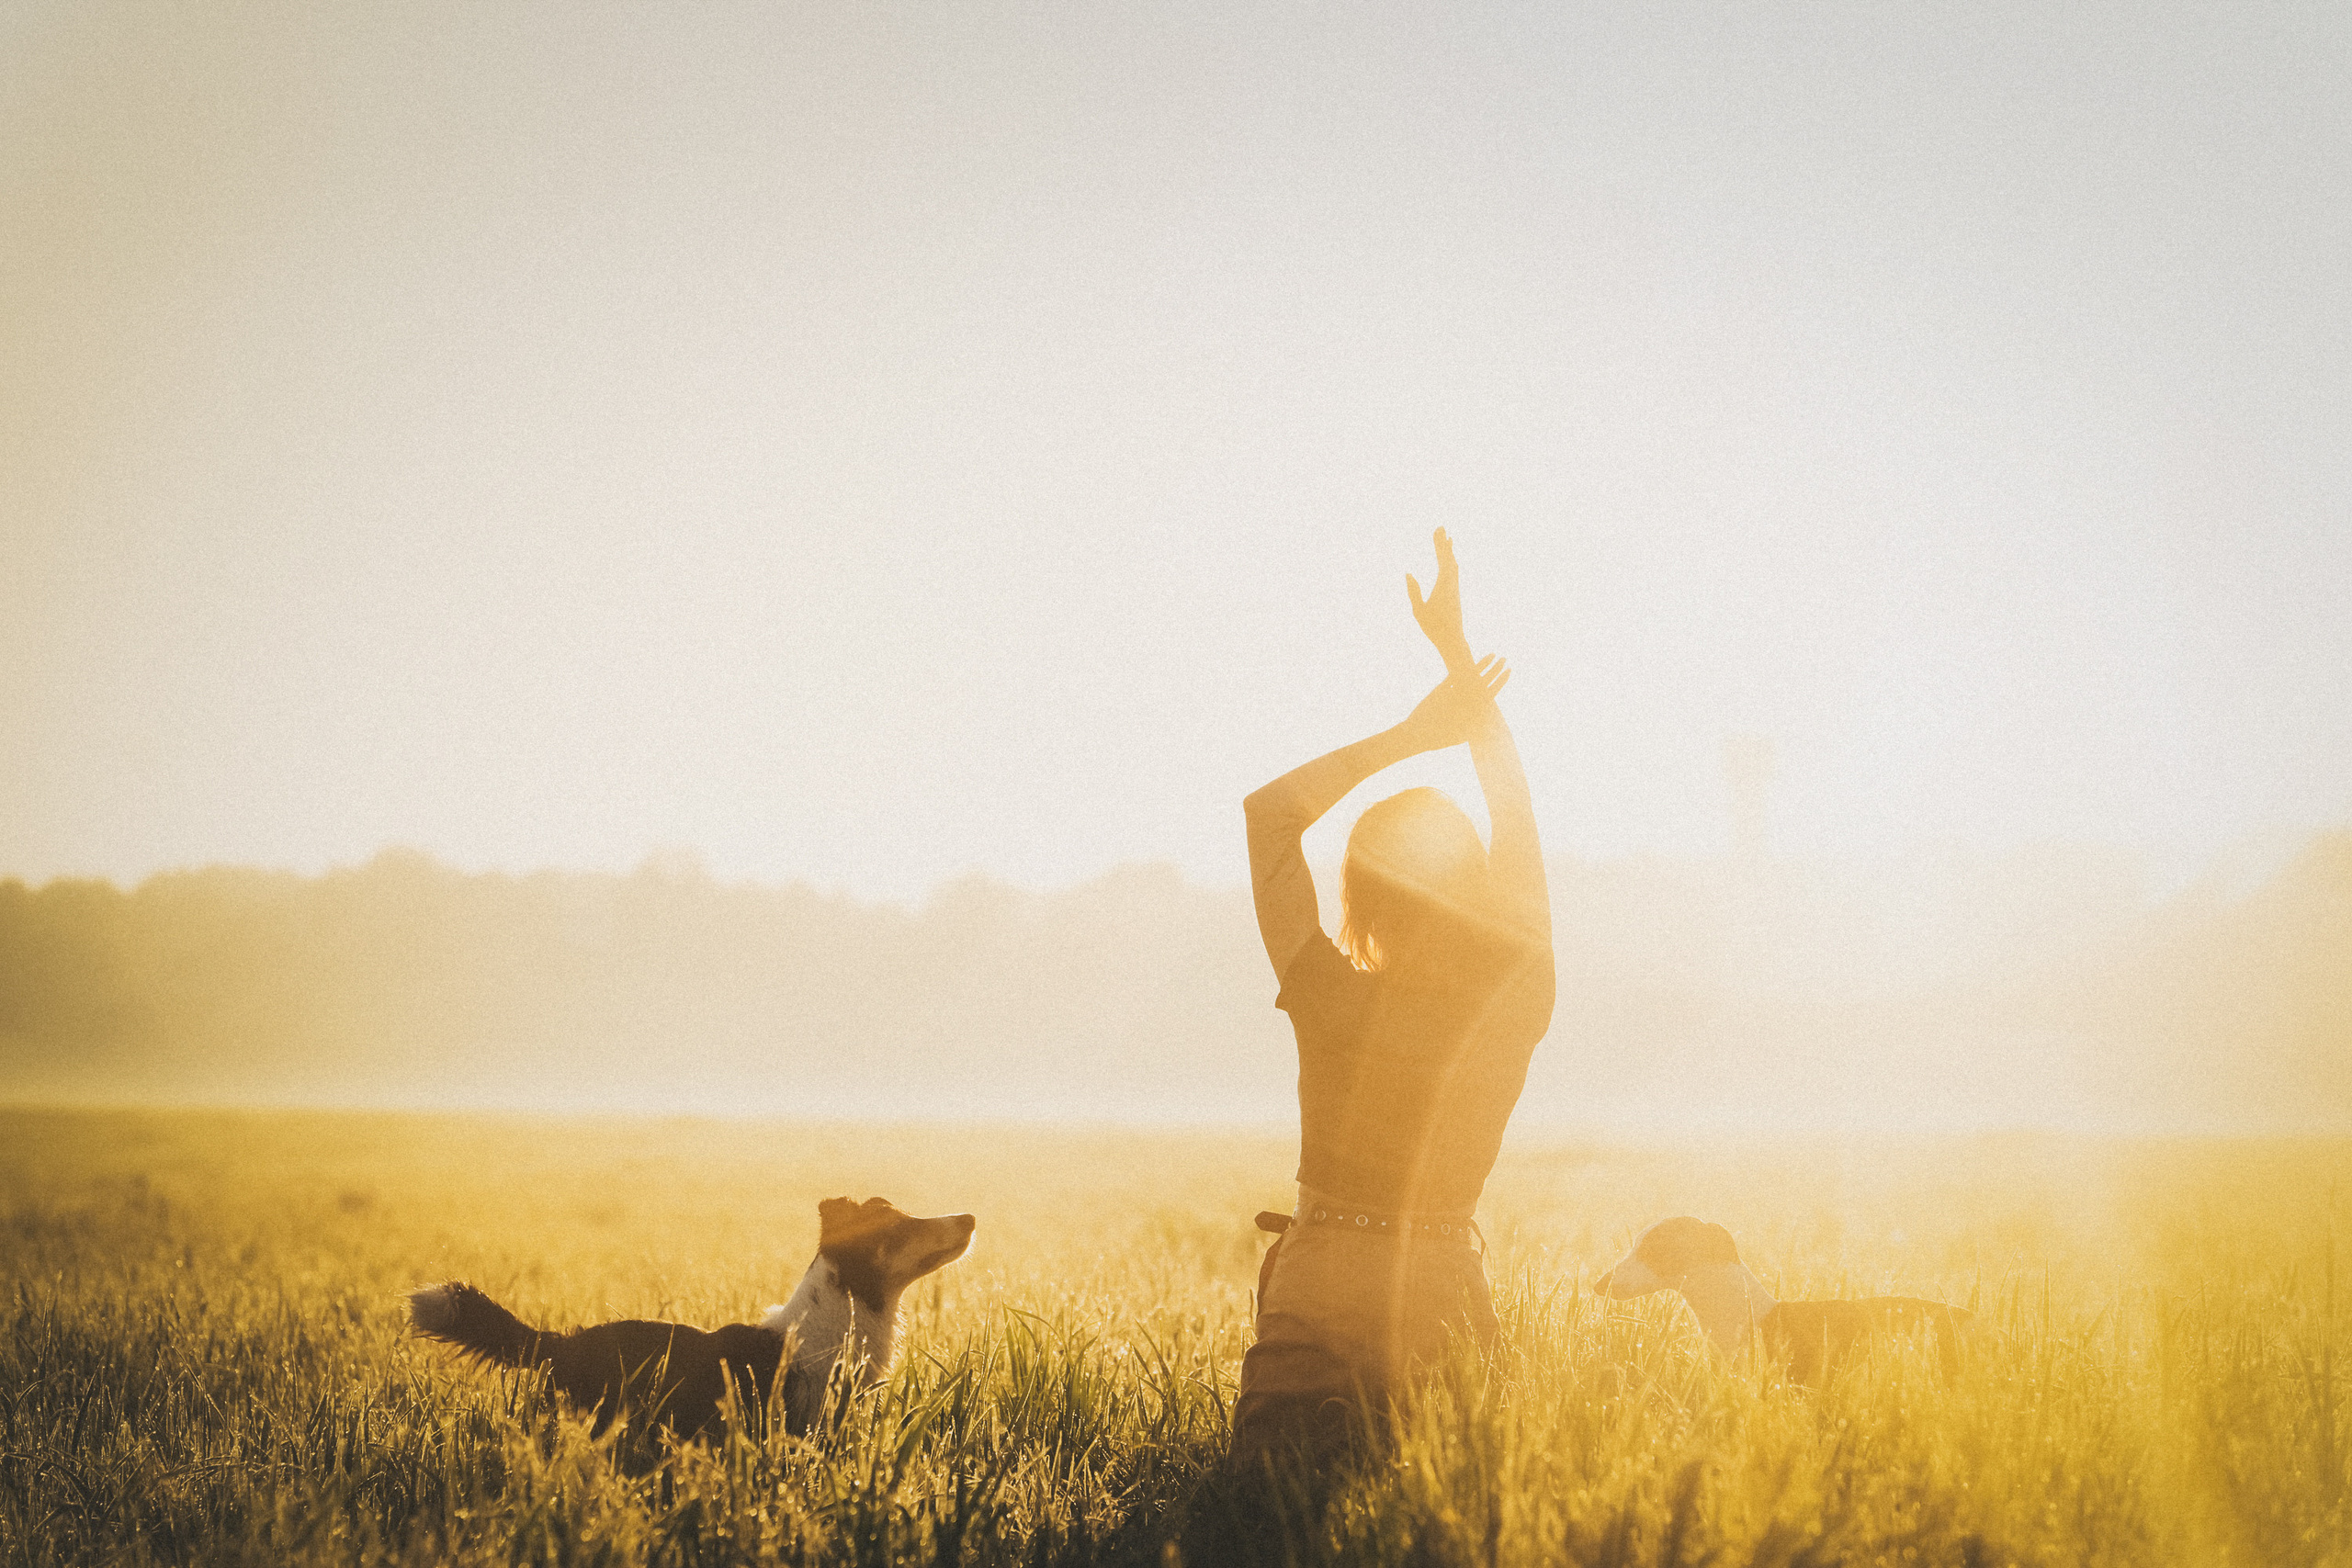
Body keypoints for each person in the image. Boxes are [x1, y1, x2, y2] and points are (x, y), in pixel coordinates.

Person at [1231, 529, 1555, 1467]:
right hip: (1443, 1273)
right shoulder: (1518, 990)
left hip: (1323, 1267)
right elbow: (1520, 829)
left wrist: (1417, 732)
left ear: (1360, 898)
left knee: (1267, 1524)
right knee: (1453, 1517)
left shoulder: (1326, 987)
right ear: (1479, 891)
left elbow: (1269, 816)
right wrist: (1464, 670)